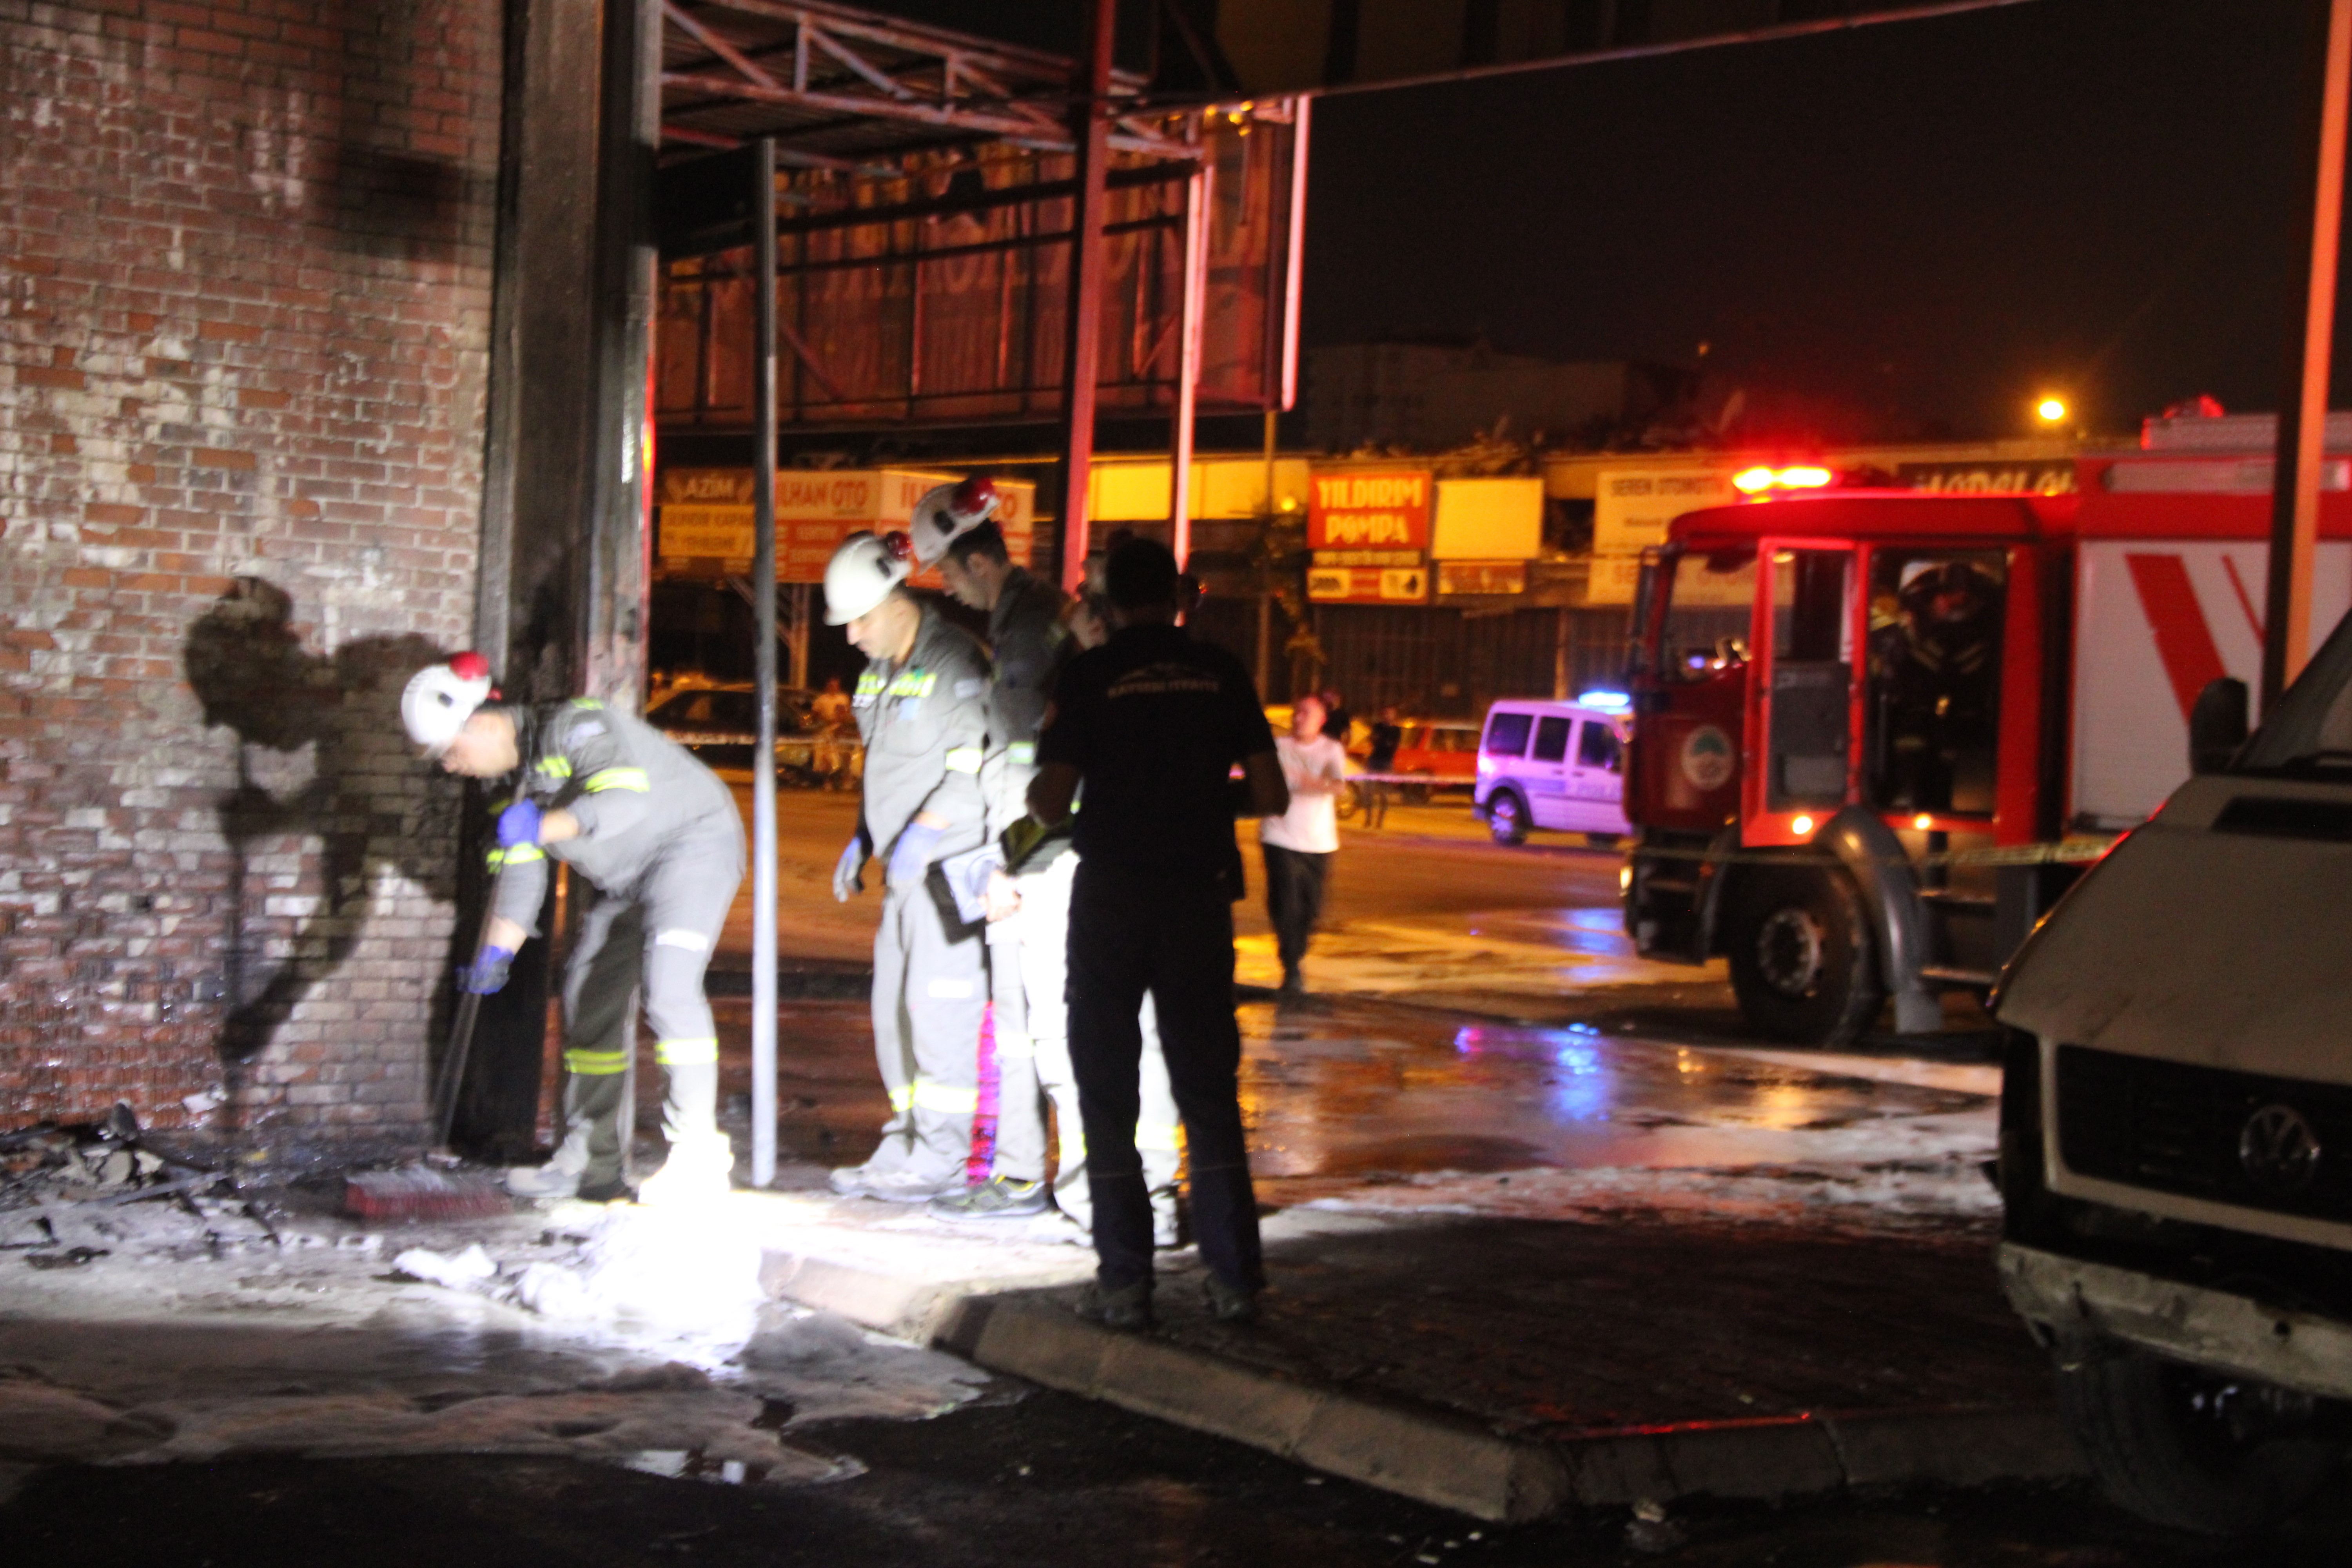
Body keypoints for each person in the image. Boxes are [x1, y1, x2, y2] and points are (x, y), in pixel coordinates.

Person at [1029, 537, 1289, 1331]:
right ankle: (1234, 1278)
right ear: (1182, 595)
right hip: (1196, 897)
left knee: (1107, 1090)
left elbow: (1047, 800)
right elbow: (1273, 792)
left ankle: (1124, 1282)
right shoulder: (1222, 670)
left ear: (1107, 603)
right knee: (1207, 1088)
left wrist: (1097, 803)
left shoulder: (1090, 674)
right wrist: (1201, 804)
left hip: (1111, 897)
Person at [402, 654, 744, 1205]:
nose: (448, 767)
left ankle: (698, 1157)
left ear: (481, 725)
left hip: (692, 848)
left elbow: (623, 799)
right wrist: (496, 957)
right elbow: (520, 886)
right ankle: (591, 1162)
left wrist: (539, 826)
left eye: (449, 752)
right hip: (627, 880)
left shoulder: (575, 725)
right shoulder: (507, 790)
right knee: (588, 999)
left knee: (670, 989)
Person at [822, 530, 994, 1203]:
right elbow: (887, 771)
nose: (852, 635)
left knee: (940, 1009)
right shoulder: (876, 676)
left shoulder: (954, 662)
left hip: (950, 870)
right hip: (903, 871)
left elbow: (975, 761)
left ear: (896, 601)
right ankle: (907, 1140)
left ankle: (944, 1155)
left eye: (861, 618)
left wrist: (923, 833)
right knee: (893, 1007)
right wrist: (864, 837)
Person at [1261, 693, 1349, 996]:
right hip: (1279, 835)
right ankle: (1291, 966)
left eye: (1307, 713)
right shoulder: (1278, 748)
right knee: (1286, 901)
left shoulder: (1331, 750)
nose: (1299, 718)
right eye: (1297, 712)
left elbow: (1340, 787)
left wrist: (1304, 780)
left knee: (1312, 909)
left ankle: (1296, 953)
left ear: (1322, 720)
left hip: (1319, 840)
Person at [1362, 706, 1402, 829]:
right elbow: (1374, 741)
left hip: (1386, 762)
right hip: (1374, 760)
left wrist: (1382, 741)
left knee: (1384, 794)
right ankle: (1368, 819)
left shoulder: (1396, 730)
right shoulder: (1377, 727)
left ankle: (1380, 822)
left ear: (1394, 716)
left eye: (1390, 714)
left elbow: (1392, 746)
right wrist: (1383, 742)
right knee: (1369, 792)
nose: (1387, 716)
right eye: (1386, 714)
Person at [810, 676, 853, 790]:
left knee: (844, 756)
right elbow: (815, 715)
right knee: (826, 758)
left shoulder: (843, 698)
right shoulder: (822, 700)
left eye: (836, 686)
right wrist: (824, 722)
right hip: (826, 731)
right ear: (828, 686)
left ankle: (846, 782)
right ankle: (828, 782)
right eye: (832, 685)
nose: (834, 688)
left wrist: (843, 722)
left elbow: (847, 714)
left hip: (840, 731)